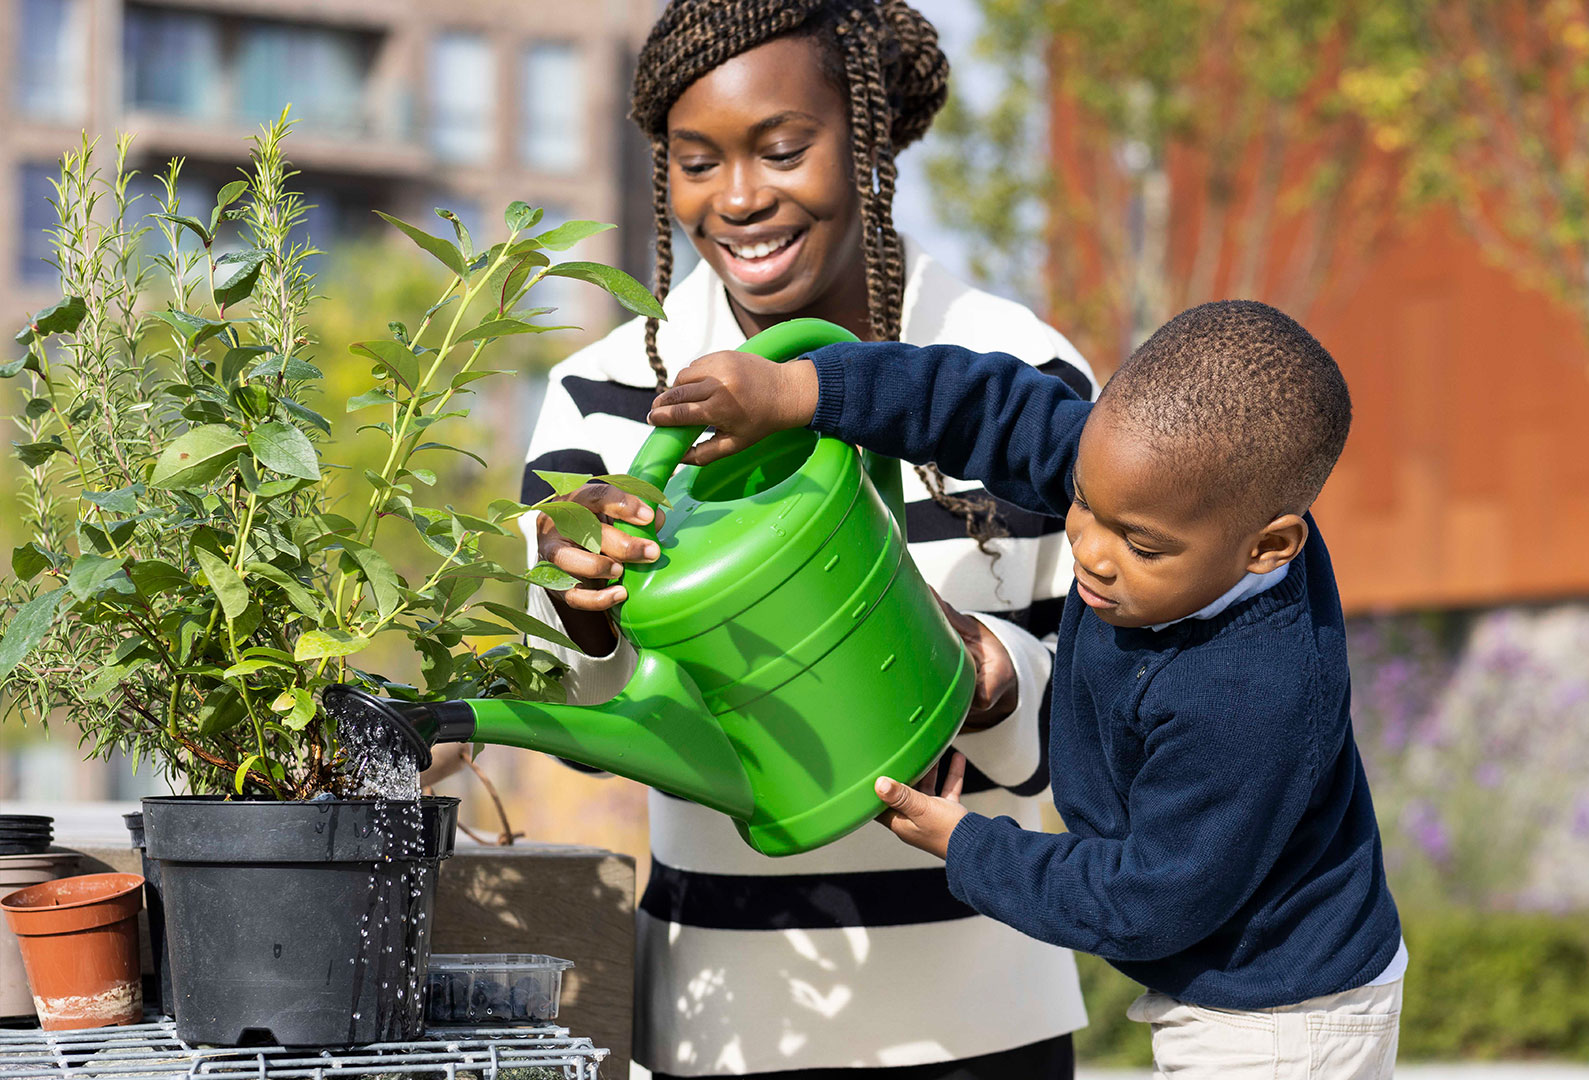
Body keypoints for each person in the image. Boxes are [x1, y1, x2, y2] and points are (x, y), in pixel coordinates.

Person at [423, 1, 1095, 1076]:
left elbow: (1104, 721)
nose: (739, 198)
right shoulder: (604, 395)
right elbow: (558, 694)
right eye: (698, 162)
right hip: (725, 1022)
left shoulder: (1017, 377)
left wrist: (985, 674)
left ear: (865, 143)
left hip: (988, 1019)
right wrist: (578, 605)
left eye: (783, 150)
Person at [647, 300, 1408, 1080]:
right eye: (1081, 500)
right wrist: (802, 392)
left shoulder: (1252, 697)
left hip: (1283, 1013)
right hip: (1224, 975)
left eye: (1140, 546)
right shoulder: (1149, 487)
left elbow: (1145, 901)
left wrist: (966, 843)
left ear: (1268, 546)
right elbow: (982, 406)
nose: (1089, 549)